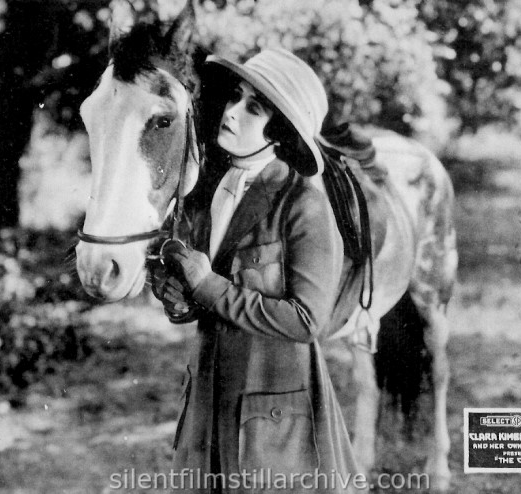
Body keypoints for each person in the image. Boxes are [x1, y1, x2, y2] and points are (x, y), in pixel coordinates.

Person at [154, 49, 363, 493]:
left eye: (254, 107)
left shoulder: (303, 203)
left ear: (280, 131)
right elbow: (210, 294)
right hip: (208, 400)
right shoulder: (215, 187)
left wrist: (207, 286)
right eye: (235, 98)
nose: (231, 113)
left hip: (270, 418)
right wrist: (181, 297)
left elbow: (306, 320)